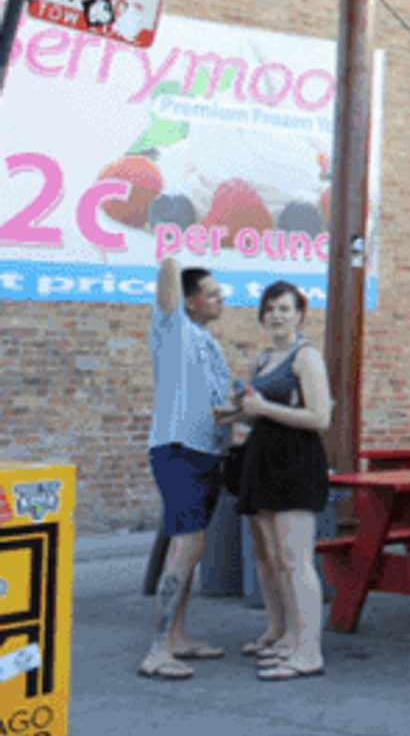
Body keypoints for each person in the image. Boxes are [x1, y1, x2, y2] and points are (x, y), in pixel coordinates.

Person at [217, 282, 333, 681]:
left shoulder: (307, 357)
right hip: (262, 461)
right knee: (276, 559)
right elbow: (259, 415)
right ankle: (288, 638)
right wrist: (235, 415)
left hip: (296, 462)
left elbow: (320, 418)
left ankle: (309, 651)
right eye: (270, 309)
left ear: (300, 313)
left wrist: (263, 407)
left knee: (296, 559)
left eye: (285, 308)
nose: (277, 315)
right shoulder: (263, 360)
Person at [139, 257, 233, 682]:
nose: (221, 299)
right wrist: (174, 255)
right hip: (177, 449)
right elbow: (167, 282)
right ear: (190, 301)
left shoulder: (209, 343)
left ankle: (178, 637)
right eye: (212, 293)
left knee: (191, 549)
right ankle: (157, 650)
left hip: (207, 452)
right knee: (186, 544)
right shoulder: (172, 328)